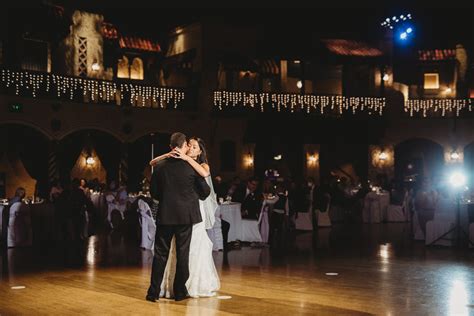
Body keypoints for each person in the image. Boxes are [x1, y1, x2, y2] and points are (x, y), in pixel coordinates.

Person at [150, 136, 220, 298]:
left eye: (194, 146)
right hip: (187, 215)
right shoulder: (190, 169)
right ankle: (180, 291)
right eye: (189, 145)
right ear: (183, 146)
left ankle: (153, 292)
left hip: (167, 214)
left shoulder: (162, 167)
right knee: (183, 253)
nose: (191, 147)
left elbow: (155, 193)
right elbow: (205, 192)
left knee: (162, 254)